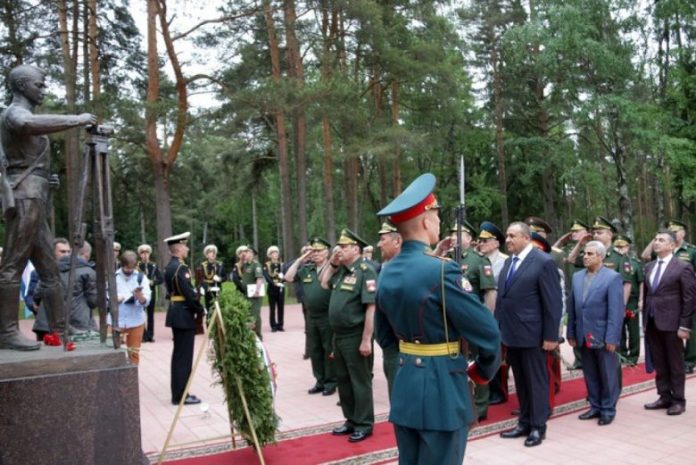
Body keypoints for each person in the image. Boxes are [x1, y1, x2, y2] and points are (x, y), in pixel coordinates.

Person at [375, 173, 500, 464]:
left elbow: (385, 338)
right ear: (425, 221)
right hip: (442, 391)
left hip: (405, 388)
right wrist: (481, 373)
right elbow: (488, 334)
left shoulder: (386, 272)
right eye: (436, 214)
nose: (440, 221)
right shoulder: (441, 271)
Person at [0, 64, 96, 350]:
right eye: (38, 85)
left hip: (36, 194)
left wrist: (45, 177)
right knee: (12, 265)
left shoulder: (22, 113)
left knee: (49, 268)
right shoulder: (15, 113)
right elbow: (27, 126)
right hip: (26, 196)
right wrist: (76, 119)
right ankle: (6, 332)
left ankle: (62, 328)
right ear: (20, 86)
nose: (43, 89)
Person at [497, 222, 562, 447]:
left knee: (536, 382)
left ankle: (538, 426)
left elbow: (553, 302)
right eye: (506, 236)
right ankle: (523, 422)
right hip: (511, 335)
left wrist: (551, 336)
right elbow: (503, 299)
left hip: (534, 335)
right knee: (522, 382)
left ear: (526, 238)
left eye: (512, 236)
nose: (508, 240)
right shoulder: (508, 262)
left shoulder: (543, 262)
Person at [321, 229, 377, 443]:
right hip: (339, 335)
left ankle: (364, 423)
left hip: (356, 335)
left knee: (359, 381)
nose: (339, 250)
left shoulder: (366, 271)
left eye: (343, 247)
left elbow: (371, 307)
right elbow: (324, 282)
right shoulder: (342, 271)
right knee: (343, 380)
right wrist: (333, 262)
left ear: (356, 249)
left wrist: (366, 339)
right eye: (339, 247)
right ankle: (351, 419)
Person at [567, 241, 624, 425]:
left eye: (590, 254)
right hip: (583, 333)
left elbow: (616, 311)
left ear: (601, 256)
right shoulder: (577, 277)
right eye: (584, 253)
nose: (585, 256)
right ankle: (595, 406)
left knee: (607, 373)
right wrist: (571, 332)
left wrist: (612, 337)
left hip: (602, 334)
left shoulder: (612, 277)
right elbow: (572, 307)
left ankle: (608, 408)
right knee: (590, 372)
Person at [642, 229, 696, 416]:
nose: (656, 242)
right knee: (659, 362)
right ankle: (664, 396)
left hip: (673, 324)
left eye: (661, 240)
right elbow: (648, 294)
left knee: (675, 363)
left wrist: (685, 325)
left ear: (672, 245)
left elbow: (689, 298)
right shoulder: (649, 267)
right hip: (652, 321)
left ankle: (678, 400)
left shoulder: (682, 267)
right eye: (655, 239)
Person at [284, 238, 336, 396]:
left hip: (327, 316)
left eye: (319, 251)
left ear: (327, 252)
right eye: (313, 251)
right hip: (311, 316)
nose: (315, 254)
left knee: (329, 349)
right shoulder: (307, 269)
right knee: (315, 350)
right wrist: (300, 259)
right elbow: (288, 277)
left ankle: (331, 382)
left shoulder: (333, 269)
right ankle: (319, 381)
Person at [164, 232, 204, 406]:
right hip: (183, 314)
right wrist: (200, 309)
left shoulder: (169, 266)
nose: (187, 249)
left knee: (179, 356)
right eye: (185, 246)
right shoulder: (180, 268)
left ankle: (179, 393)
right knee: (183, 358)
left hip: (177, 312)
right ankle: (180, 396)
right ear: (179, 249)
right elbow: (188, 293)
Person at [375, 221, 402, 399]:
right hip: (389, 347)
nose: (378, 244)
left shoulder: (402, 269)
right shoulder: (385, 267)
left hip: (400, 347)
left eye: (383, 239)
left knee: (400, 399)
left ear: (397, 241)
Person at [113, 250, 151, 365]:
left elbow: (147, 299)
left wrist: (140, 298)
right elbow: (106, 295)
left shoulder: (141, 277)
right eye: (126, 268)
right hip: (116, 319)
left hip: (135, 320)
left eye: (131, 268)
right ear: (121, 264)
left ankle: (131, 378)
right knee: (113, 352)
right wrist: (114, 299)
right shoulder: (113, 276)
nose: (129, 270)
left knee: (134, 353)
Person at [31, 238, 72, 341]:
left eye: (68, 251)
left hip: (69, 321)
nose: (66, 254)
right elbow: (32, 294)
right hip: (45, 321)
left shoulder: (75, 271)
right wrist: (34, 305)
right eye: (62, 251)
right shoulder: (38, 272)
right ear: (52, 252)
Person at [613, 235, 644, 365]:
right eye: (617, 246)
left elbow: (641, 282)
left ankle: (633, 355)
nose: (620, 249)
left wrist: (641, 300)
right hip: (616, 299)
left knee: (633, 330)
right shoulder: (612, 262)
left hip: (632, 300)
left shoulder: (635, 263)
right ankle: (622, 354)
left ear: (628, 247)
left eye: (623, 246)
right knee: (619, 329)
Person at [194, 244, 226, 334]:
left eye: (214, 253)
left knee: (219, 309)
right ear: (206, 255)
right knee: (209, 309)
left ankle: (218, 327)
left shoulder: (220, 265)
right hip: (208, 290)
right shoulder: (203, 265)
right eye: (210, 253)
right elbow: (200, 279)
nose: (213, 254)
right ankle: (210, 329)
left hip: (218, 289)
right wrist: (207, 287)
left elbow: (225, 277)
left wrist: (220, 279)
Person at [137, 244, 163, 343]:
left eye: (147, 253)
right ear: (140, 255)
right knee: (141, 314)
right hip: (141, 293)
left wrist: (153, 282)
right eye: (143, 253)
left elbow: (161, 279)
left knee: (151, 314)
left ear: (149, 254)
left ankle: (150, 335)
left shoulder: (154, 266)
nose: (145, 255)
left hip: (151, 292)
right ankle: (143, 334)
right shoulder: (137, 266)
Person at [240, 245, 264, 339]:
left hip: (255, 293)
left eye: (248, 252)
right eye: (245, 251)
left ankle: (258, 335)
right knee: (250, 313)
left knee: (255, 313)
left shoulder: (256, 265)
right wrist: (242, 257)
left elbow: (259, 278)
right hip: (247, 293)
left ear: (253, 254)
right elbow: (240, 265)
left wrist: (257, 290)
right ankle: (253, 333)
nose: (245, 253)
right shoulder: (246, 264)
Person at [264, 245, 285, 332]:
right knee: (272, 308)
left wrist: (282, 280)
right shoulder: (267, 265)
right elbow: (267, 276)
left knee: (281, 307)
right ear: (270, 255)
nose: (275, 254)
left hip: (280, 288)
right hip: (272, 288)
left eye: (276, 252)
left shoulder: (282, 264)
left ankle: (280, 325)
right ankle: (273, 325)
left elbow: (285, 274)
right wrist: (273, 283)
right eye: (273, 253)